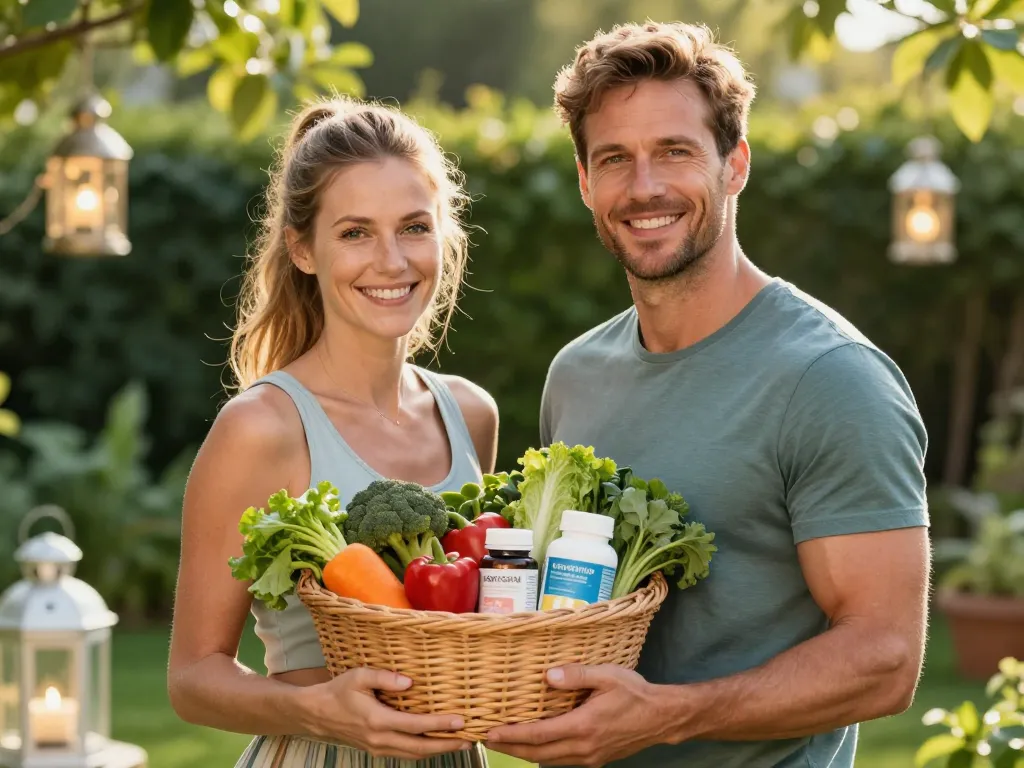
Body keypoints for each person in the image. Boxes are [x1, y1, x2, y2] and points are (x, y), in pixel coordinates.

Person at [486, 21, 931, 768]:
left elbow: (885, 658)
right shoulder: (576, 374)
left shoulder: (830, 378)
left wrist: (667, 719)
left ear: (736, 165)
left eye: (675, 152)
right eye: (615, 159)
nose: (645, 187)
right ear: (585, 182)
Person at [167, 97, 498, 768]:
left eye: (413, 227)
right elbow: (192, 678)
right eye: (354, 233)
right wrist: (319, 711)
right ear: (302, 249)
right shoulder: (262, 430)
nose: (391, 260)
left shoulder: (470, 414)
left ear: (445, 235)